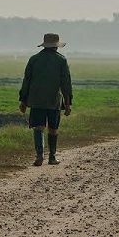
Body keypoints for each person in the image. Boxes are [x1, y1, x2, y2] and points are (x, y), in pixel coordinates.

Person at [19, 33, 73, 166]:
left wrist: (23, 100)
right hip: (54, 100)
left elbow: (27, 81)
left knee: (38, 127)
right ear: (56, 46)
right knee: (53, 129)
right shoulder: (62, 60)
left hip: (36, 100)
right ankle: (52, 157)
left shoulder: (34, 59)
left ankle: (39, 156)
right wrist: (67, 103)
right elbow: (66, 84)